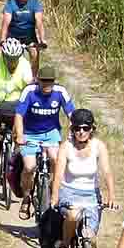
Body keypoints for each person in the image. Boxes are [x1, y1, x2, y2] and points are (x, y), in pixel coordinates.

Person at [14, 64, 75, 219]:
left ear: (54, 82)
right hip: (30, 133)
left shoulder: (60, 92)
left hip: (51, 133)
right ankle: (27, 197)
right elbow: (19, 115)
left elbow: (72, 114)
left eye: (50, 82)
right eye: (44, 81)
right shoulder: (29, 91)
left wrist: (72, 133)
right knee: (29, 167)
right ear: (38, 81)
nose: (47, 85)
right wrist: (20, 135)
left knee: (56, 158)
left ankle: (51, 190)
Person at [51, 108, 117, 248]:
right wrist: (54, 197)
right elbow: (58, 174)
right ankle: (65, 244)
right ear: (72, 129)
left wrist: (111, 196)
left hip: (91, 195)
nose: (81, 132)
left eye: (85, 128)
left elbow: (107, 172)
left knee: (90, 237)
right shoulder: (66, 147)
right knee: (73, 215)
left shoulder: (99, 146)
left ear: (92, 129)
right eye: (77, 128)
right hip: (69, 193)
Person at [0, 38, 32, 177]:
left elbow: (28, 88)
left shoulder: (25, 65)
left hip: (15, 104)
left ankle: (15, 158)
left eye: (15, 58)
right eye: (9, 58)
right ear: (4, 55)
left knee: (18, 132)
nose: (12, 61)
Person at [0, 0, 46, 75]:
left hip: (29, 36)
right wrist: (2, 40)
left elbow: (39, 22)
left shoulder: (35, 3)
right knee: (10, 56)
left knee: (35, 54)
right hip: (13, 35)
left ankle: (33, 79)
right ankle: (10, 75)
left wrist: (42, 39)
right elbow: (5, 22)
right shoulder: (11, 3)